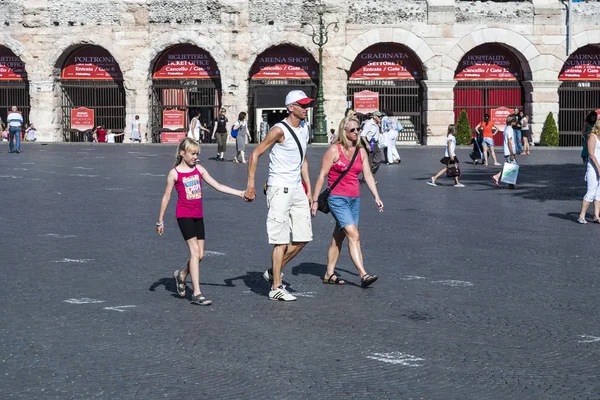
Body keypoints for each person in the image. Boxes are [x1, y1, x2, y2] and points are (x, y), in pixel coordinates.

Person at [157, 138, 248, 306]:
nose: (195, 157)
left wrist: (240, 193)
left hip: (198, 215)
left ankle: (182, 275)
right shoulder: (174, 173)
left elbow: (218, 186)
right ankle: (197, 293)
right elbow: (166, 196)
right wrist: (160, 220)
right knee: (194, 252)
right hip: (184, 215)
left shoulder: (199, 169)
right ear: (182, 153)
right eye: (192, 153)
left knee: (200, 255)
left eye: (197, 154)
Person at [244, 90, 314, 302]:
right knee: (281, 240)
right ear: (290, 107)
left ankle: (273, 271)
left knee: (303, 238)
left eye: (307, 104)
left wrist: (309, 188)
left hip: (297, 189)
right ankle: (276, 286)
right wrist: (250, 186)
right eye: (301, 105)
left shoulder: (305, 128)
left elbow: (303, 159)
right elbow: (255, 154)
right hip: (278, 188)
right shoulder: (278, 130)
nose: (305, 108)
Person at [311, 115, 383, 287]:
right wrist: (314, 200)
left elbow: (367, 175)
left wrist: (376, 196)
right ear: (344, 131)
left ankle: (329, 273)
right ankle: (363, 274)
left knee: (339, 237)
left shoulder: (361, 151)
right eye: (352, 130)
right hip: (337, 199)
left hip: (354, 200)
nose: (356, 132)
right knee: (354, 235)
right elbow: (322, 175)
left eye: (358, 129)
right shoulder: (334, 150)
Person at [578, 120, 600, 224]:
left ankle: (596, 216)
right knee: (591, 192)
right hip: (593, 167)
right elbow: (591, 154)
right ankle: (582, 215)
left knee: (599, 193)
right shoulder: (592, 136)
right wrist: (598, 168)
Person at [492, 115, 518, 188]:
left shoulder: (506, 128)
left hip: (507, 151)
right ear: (512, 122)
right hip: (509, 152)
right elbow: (509, 142)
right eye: (515, 121)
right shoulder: (510, 129)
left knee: (510, 167)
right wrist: (512, 153)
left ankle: (511, 185)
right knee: (512, 167)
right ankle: (497, 176)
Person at [360, 110, 383, 177]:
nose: (380, 118)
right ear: (374, 117)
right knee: (369, 161)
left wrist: (379, 126)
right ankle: (367, 177)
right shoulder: (369, 124)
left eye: (381, 117)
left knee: (378, 160)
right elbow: (363, 135)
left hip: (375, 143)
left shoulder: (377, 124)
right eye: (379, 117)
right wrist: (367, 144)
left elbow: (380, 133)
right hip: (370, 143)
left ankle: (370, 174)